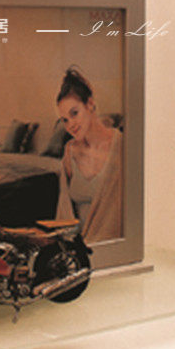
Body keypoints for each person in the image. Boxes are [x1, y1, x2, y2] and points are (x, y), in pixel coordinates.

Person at [54, 66, 123, 242]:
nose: (71, 125)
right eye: (65, 120)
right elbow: (64, 212)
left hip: (111, 247)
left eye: (74, 113)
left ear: (90, 104)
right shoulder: (70, 152)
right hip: (75, 250)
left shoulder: (120, 147)